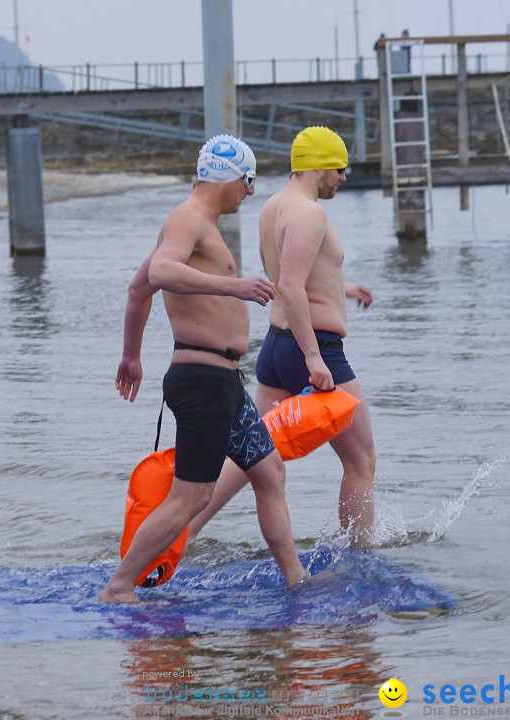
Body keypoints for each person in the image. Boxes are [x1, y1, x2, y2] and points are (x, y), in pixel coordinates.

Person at [99, 134, 307, 604]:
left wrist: (131, 356)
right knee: (191, 495)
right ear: (229, 176)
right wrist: (233, 287)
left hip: (224, 382)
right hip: (203, 383)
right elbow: (160, 273)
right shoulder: (187, 219)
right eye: (248, 182)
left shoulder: (200, 225)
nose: (250, 193)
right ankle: (118, 586)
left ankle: (296, 579)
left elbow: (137, 290)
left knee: (270, 471)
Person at [255, 126, 376, 548]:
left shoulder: (274, 207)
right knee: (360, 460)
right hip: (315, 349)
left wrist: (342, 289)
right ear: (319, 165)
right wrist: (313, 358)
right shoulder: (310, 213)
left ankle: (182, 530)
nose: (343, 177)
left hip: (274, 348)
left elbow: (289, 277)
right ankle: (362, 557)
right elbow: (290, 287)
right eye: (339, 168)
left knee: (251, 458)